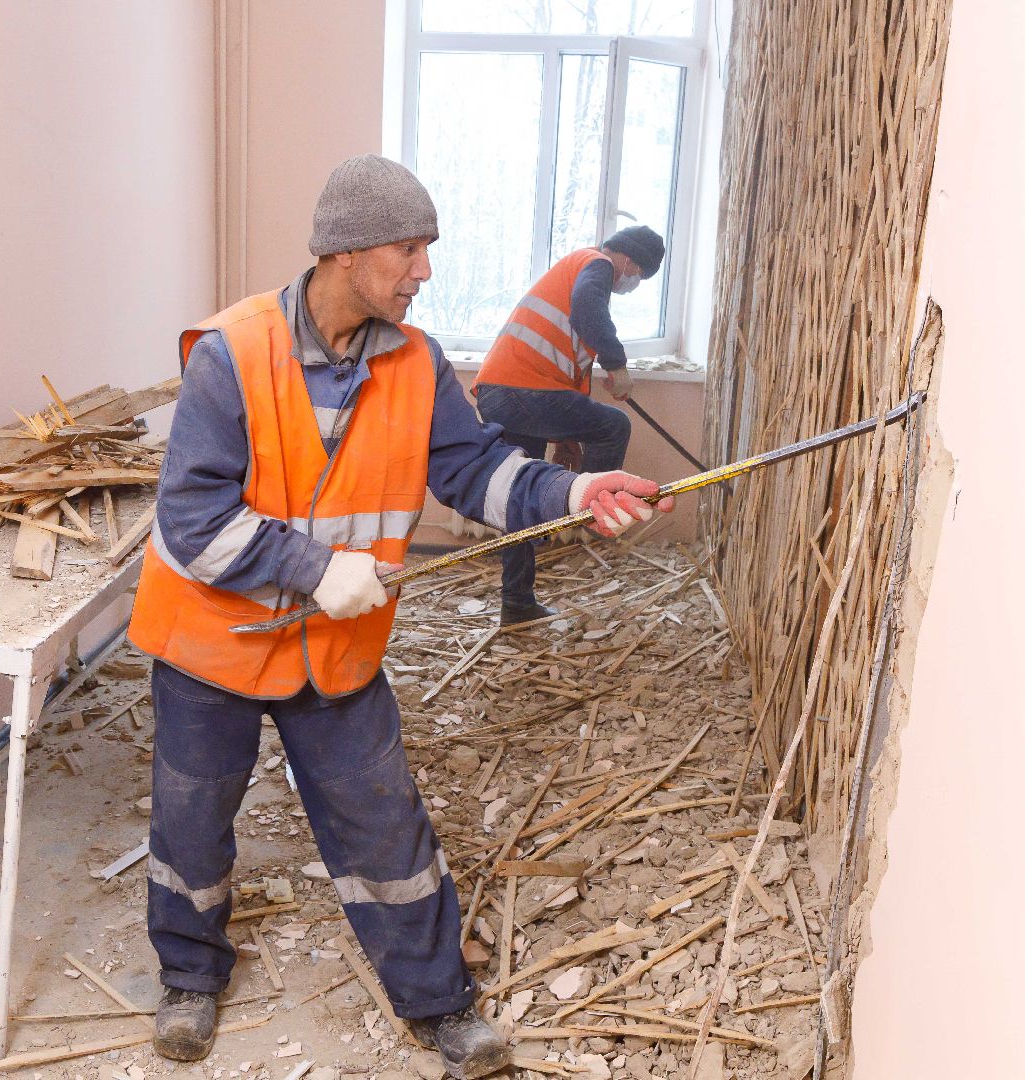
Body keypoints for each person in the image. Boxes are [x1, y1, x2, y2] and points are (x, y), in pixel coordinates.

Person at [126, 155, 674, 1079]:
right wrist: (313, 568)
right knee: (192, 819)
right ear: (346, 251)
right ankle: (188, 976)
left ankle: (438, 1000)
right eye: (409, 250)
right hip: (211, 647)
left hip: (333, 651)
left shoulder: (416, 364)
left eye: (428, 249)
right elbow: (193, 519)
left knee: (384, 823)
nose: (424, 271)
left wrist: (577, 490)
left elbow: (476, 471)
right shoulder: (233, 354)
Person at [471, 226, 667, 625]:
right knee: (614, 426)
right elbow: (587, 310)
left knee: (518, 495)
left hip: (505, 392)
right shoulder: (596, 263)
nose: (633, 281)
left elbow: (564, 371)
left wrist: (565, 438)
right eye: (638, 273)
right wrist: (617, 364)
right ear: (628, 259)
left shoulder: (575, 271)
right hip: (522, 391)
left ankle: (517, 603)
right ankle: (594, 509)